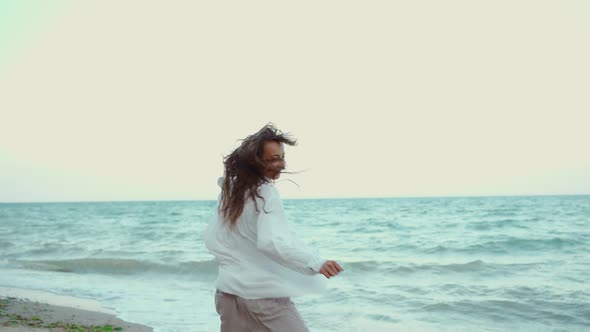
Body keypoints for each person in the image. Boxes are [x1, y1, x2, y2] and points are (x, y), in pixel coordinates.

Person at [203, 123, 343, 332]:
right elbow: (271, 242)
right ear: (255, 162)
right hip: (263, 299)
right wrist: (316, 262)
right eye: (275, 158)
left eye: (283, 157)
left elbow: (214, 238)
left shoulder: (230, 193)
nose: (282, 164)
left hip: (227, 296)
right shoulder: (266, 192)